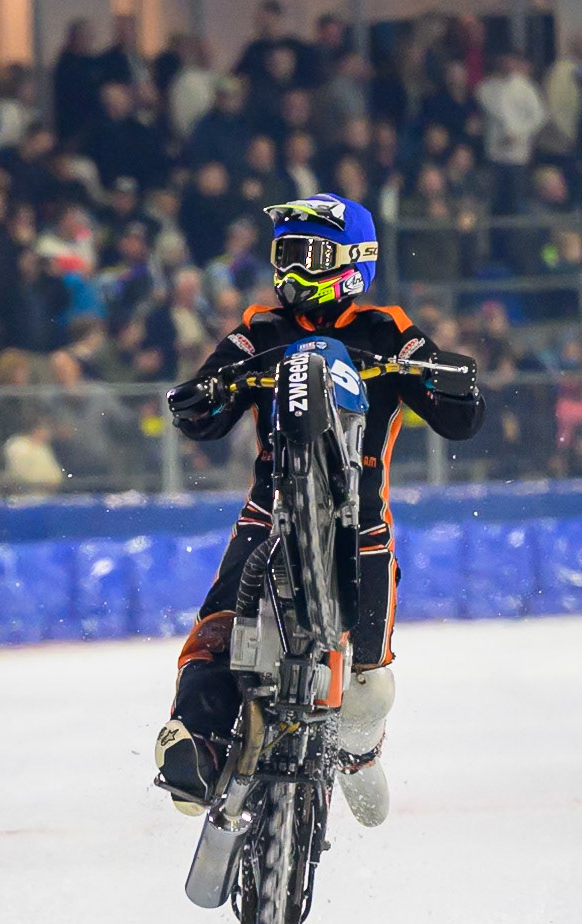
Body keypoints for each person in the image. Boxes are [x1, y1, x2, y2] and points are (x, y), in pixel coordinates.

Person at [155, 193, 484, 828]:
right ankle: (192, 742)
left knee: (371, 684)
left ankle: (359, 754)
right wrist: (206, 389)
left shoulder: (385, 328)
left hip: (361, 524)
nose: (292, 274)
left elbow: (460, 418)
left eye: (308, 256)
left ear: (353, 261)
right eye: (284, 256)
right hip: (269, 509)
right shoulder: (260, 329)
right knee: (220, 624)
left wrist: (445, 374)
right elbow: (202, 414)